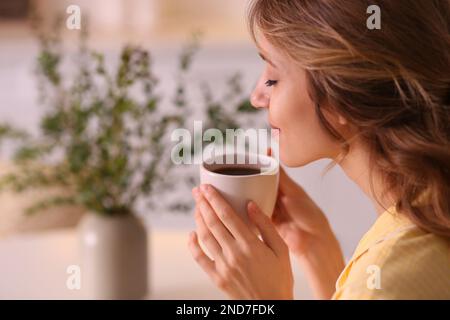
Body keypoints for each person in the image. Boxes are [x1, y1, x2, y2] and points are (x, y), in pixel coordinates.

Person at [188, 0, 450, 299]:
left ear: (341, 97)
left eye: (273, 78)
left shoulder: (388, 279)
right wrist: (319, 255)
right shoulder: (428, 223)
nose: (257, 96)